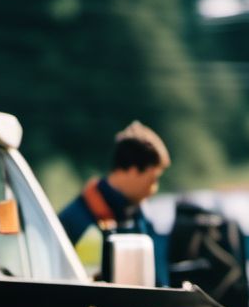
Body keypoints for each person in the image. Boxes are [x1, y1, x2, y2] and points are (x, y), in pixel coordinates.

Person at [58, 121, 171, 284]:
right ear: (132, 170)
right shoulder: (73, 221)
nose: (153, 189)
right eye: (153, 180)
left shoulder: (141, 216)